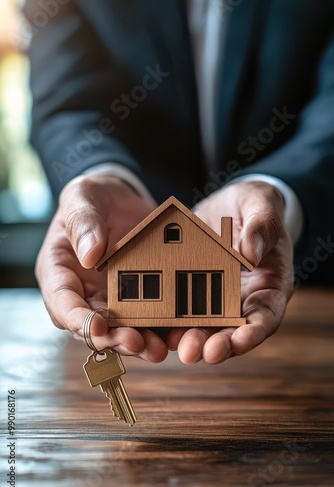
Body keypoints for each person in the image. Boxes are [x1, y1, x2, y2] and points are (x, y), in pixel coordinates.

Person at [24, 0, 334, 365]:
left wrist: (277, 189)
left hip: (309, 296)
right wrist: (98, 174)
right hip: (110, 269)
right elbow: (65, 104)